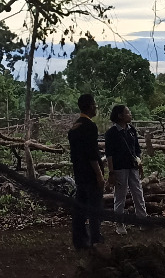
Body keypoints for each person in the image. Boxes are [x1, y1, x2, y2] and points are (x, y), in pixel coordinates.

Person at [68, 93, 105, 252]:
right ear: (90, 106)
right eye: (95, 104)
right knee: (95, 207)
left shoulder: (74, 126)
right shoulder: (89, 126)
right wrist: (99, 175)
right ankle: (95, 238)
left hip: (79, 173)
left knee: (80, 208)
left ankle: (79, 240)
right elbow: (91, 154)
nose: (96, 107)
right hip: (90, 174)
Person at [104, 104, 147, 235]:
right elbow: (109, 154)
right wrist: (111, 172)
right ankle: (119, 223)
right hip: (119, 168)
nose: (130, 114)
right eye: (127, 113)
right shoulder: (111, 133)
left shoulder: (131, 130)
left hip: (133, 167)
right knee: (120, 196)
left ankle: (143, 220)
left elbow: (137, 150)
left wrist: (139, 163)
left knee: (138, 193)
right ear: (120, 116)